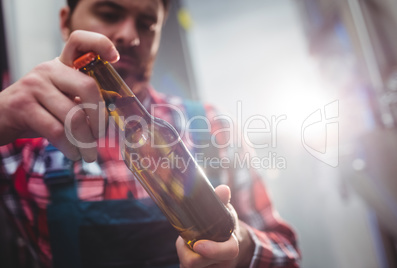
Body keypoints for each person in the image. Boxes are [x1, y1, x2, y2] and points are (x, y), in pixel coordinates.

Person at [0, 0, 300, 267]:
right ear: (65, 21)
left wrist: (241, 247)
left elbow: (288, 254)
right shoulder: (21, 136)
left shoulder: (211, 126)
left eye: (147, 23)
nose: (129, 36)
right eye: (108, 12)